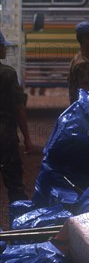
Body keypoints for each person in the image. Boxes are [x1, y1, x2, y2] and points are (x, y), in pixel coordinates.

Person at [0, 30, 33, 203]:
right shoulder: (8, 74)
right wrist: (27, 137)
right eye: (2, 46)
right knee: (15, 186)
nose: (5, 49)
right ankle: (17, 225)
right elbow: (19, 108)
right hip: (5, 138)